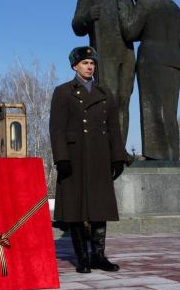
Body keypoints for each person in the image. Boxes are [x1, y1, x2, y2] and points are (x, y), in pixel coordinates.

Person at [49, 46, 126, 273]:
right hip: (74, 157)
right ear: (74, 66)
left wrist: (118, 157)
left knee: (99, 207)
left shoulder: (105, 92)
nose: (89, 66)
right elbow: (56, 129)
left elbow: (114, 127)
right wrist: (61, 158)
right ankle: (82, 258)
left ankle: (98, 256)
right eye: (84, 63)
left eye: (92, 63)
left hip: (100, 155)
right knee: (76, 207)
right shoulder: (63, 92)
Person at [118, 0, 180, 160]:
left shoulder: (145, 5)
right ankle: (171, 154)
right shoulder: (174, 6)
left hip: (151, 60)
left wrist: (124, 13)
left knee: (153, 107)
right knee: (170, 111)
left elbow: (129, 32)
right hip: (174, 60)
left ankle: (156, 154)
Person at [72, 0, 135, 142]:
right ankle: (107, 147)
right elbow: (76, 26)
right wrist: (87, 16)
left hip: (127, 53)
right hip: (104, 54)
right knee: (109, 99)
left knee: (124, 100)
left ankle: (120, 147)